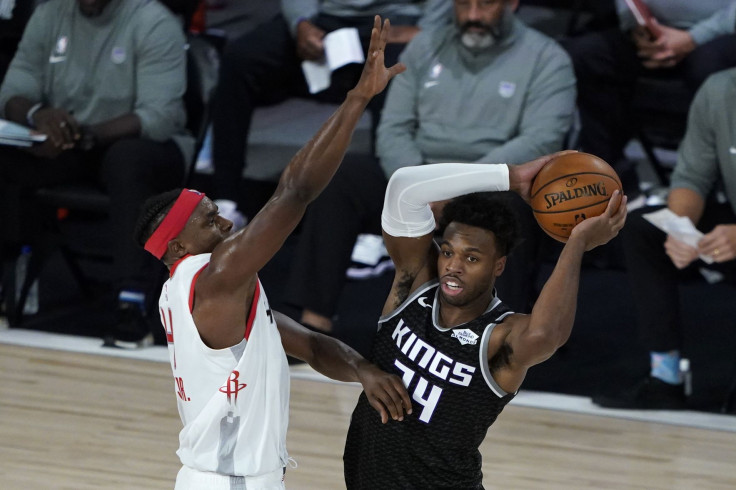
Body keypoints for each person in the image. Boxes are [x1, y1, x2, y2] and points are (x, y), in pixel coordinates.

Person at [134, 17, 412, 489]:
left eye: (217, 211)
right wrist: (358, 99)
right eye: (209, 220)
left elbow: (308, 343)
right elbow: (296, 191)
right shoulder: (215, 275)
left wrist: (363, 370)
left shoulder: (192, 293)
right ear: (178, 246)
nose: (226, 223)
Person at [284, 0, 576, 334]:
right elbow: (393, 128)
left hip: (489, 181)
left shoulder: (547, 58)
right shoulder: (424, 46)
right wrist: (420, 188)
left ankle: (496, 339)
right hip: (417, 173)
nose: (473, 16)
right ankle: (315, 326)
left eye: (486, 5)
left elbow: (541, 141)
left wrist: (453, 188)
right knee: (342, 178)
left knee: (509, 207)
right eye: (464, 4)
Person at [341, 152, 627, 488]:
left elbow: (546, 334)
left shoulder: (498, 337)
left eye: (472, 258)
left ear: (498, 267)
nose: (453, 265)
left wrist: (576, 243)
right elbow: (404, 187)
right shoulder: (413, 284)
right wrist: (512, 177)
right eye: (448, 251)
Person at [0, 0, 194, 345]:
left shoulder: (152, 21)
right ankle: (8, 285)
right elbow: (14, 87)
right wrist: (36, 115)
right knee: (8, 153)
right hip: (70, 141)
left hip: (142, 143)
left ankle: (130, 305)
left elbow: (158, 116)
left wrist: (84, 135)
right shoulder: (49, 15)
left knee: (127, 161)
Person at [210, 0, 453, 223]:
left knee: (395, 74)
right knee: (240, 59)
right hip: (323, 15)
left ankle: (387, 216)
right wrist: (301, 22)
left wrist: (427, 30)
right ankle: (227, 199)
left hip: (396, 18)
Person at [592, 67, 736, 410]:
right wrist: (680, 228)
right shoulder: (719, 90)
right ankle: (665, 376)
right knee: (645, 229)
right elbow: (691, 176)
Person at [562, 0, 736, 199]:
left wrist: (694, 37)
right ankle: (611, 182)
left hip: (722, 30)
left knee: (709, 69)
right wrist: (635, 26)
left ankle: (713, 189)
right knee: (584, 55)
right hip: (652, 32)